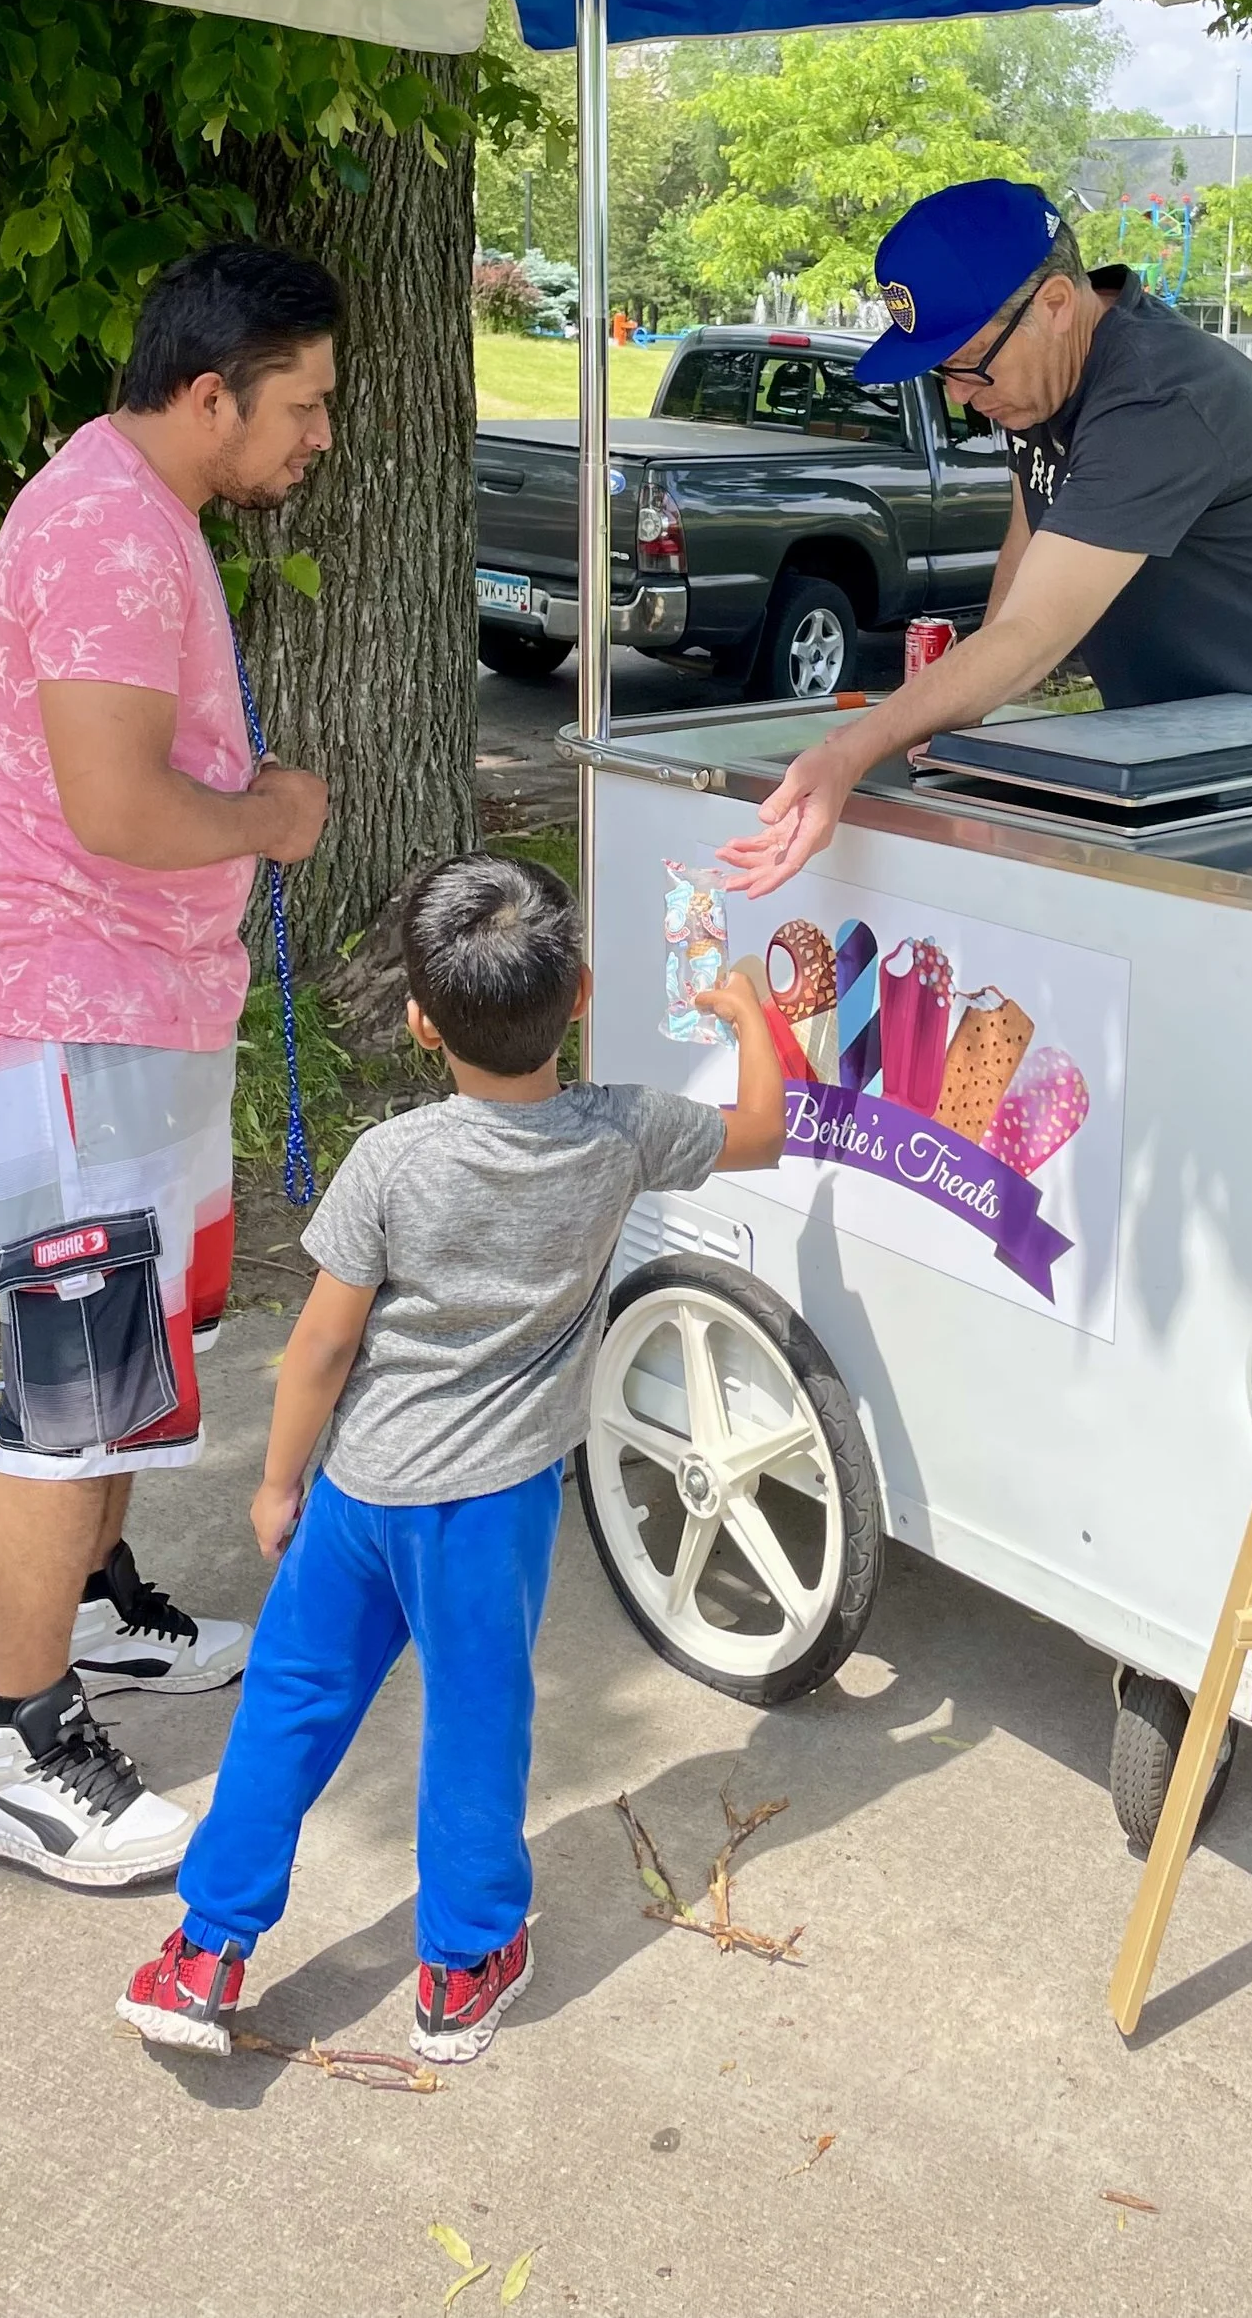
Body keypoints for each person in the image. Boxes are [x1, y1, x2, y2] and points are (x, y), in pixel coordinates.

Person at [115, 852, 785, 2062]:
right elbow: (764, 1130)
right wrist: (749, 1015)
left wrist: (279, 1485)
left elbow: (321, 1346)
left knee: (288, 1703)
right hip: (492, 1509)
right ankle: (462, 1964)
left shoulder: (394, 1160)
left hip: (359, 1493)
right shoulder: (623, 1133)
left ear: (421, 1020)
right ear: (578, 994)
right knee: (477, 1719)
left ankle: (204, 1950)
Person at [0, 242, 340, 1887]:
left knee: (132, 1355)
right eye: (302, 405)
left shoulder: (135, 503)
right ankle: (12, 1744)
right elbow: (114, 805)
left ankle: (91, 1613)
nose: (318, 436)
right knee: (76, 1382)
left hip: (133, 1010)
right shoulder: (109, 527)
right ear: (207, 392)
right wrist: (272, 816)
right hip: (70, 1017)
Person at [722, 178, 1252, 898]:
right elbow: (1026, 552)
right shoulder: (1037, 383)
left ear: (1057, 304)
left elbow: (1035, 633)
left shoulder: (1160, 399)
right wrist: (952, 715)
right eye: (942, 373)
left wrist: (850, 750)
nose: (960, 396)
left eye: (968, 365)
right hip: (1211, 748)